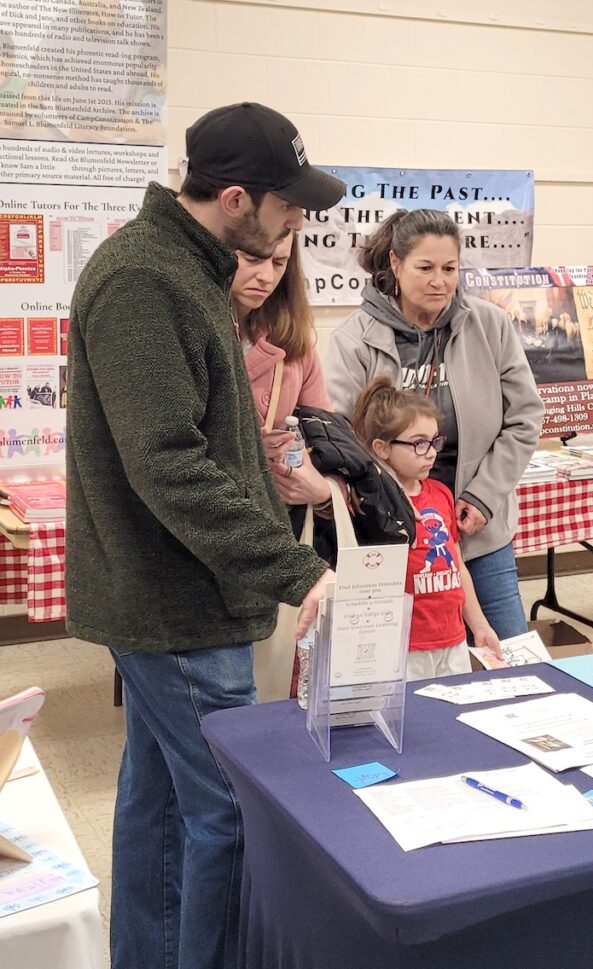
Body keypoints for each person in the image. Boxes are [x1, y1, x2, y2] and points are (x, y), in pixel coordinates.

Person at [65, 102, 346, 969]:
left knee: (160, 807)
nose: (296, 222)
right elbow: (171, 466)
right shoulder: (145, 281)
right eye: (287, 205)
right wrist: (297, 569)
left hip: (188, 594)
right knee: (229, 808)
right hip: (177, 602)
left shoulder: (186, 269)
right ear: (235, 199)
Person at [323, 208, 544, 641]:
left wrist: (483, 497)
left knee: (506, 651)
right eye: (425, 268)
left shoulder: (489, 325)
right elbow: (340, 440)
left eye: (449, 269)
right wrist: (392, 506)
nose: (439, 281)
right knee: (403, 664)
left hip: (477, 528)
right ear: (394, 264)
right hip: (395, 538)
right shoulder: (355, 339)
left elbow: (524, 417)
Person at [353, 377, 501, 679]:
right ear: (381, 448)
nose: (431, 452)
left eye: (434, 441)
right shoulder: (372, 506)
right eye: (419, 443)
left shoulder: (441, 494)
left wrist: (480, 625)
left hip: (453, 639)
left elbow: (457, 565)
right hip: (404, 646)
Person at [232, 230, 334, 510]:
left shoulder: (296, 343)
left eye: (279, 263)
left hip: (281, 520)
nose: (266, 276)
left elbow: (329, 445)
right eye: (252, 259)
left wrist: (325, 493)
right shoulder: (189, 333)